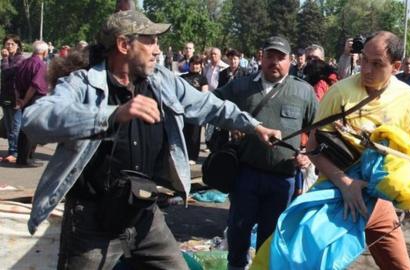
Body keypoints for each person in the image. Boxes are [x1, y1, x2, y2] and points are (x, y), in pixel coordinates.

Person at [21, 10, 280, 270]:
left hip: (144, 214)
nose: (157, 50)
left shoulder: (160, 81)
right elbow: (35, 120)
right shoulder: (83, 83)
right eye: (150, 41)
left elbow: (207, 105)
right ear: (124, 45)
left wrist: (254, 126)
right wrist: (112, 114)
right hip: (92, 220)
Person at [306, 31, 410, 270]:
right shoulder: (339, 92)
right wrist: (345, 183)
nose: (366, 69)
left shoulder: (408, 98)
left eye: (377, 64)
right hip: (334, 195)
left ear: (396, 66)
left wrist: (401, 190)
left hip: (379, 202)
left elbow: (404, 151)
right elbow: (312, 146)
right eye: (364, 59)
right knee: (308, 262)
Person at [214, 35, 318, 270]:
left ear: (290, 60)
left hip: (283, 179)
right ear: (261, 58)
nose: (275, 62)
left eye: (280, 57)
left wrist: (307, 154)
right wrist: (231, 125)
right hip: (246, 174)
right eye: (270, 56)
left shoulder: (303, 92)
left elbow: (318, 128)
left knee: (271, 238)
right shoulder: (241, 86)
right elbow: (214, 104)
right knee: (239, 230)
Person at [14, 40, 49, 167]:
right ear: (44, 52)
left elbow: (16, 82)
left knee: (25, 128)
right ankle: (25, 158)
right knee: (31, 128)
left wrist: (20, 98)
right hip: (33, 98)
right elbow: (34, 85)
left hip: (24, 96)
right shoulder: (40, 64)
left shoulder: (24, 62)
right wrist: (26, 100)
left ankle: (23, 157)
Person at [1, 35, 25, 164]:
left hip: (16, 98)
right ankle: (11, 151)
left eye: (12, 44)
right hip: (5, 96)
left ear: (17, 46)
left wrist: (4, 59)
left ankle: (15, 152)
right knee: (9, 127)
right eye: (7, 44)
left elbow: (7, 73)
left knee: (16, 127)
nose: (9, 46)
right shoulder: (8, 59)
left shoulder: (19, 59)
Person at [181, 55, 208, 164]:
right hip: (184, 109)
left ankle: (193, 156)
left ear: (201, 66)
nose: (195, 66)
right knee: (184, 133)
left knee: (195, 134)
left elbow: (204, 94)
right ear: (189, 65)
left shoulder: (203, 78)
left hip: (196, 110)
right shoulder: (183, 77)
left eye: (197, 64)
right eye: (193, 64)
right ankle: (183, 155)